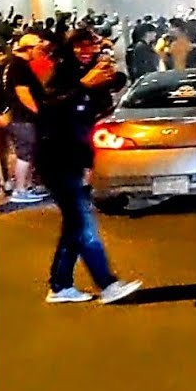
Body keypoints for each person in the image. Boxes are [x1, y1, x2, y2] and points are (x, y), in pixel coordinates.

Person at [37, 32, 141, 304]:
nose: (87, 50)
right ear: (69, 48)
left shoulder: (92, 73)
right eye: (80, 46)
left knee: (74, 225)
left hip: (76, 158)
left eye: (92, 45)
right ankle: (107, 284)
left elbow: (92, 115)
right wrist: (84, 85)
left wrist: (109, 80)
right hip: (55, 159)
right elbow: (49, 109)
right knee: (84, 225)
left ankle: (60, 286)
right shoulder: (63, 75)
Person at [3, 34, 49, 204]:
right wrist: (39, 112)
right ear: (28, 48)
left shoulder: (19, 65)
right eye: (38, 47)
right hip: (23, 118)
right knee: (24, 153)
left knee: (29, 152)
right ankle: (20, 189)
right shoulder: (18, 67)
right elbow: (23, 94)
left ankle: (27, 187)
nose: (41, 51)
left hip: (23, 118)